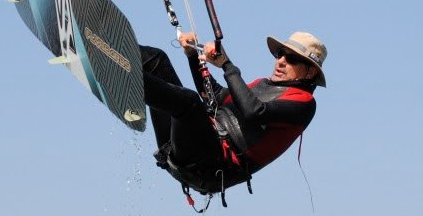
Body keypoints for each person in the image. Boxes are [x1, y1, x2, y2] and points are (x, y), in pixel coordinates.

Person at [140, 31, 327, 198]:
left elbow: (255, 112)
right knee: (155, 60)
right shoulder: (262, 84)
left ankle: (127, 77)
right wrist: (193, 56)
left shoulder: (304, 103)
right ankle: (114, 58)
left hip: (210, 167)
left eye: (292, 58)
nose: (281, 61)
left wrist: (227, 65)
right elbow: (214, 96)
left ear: (310, 71)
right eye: (280, 54)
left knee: (189, 102)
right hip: (178, 147)